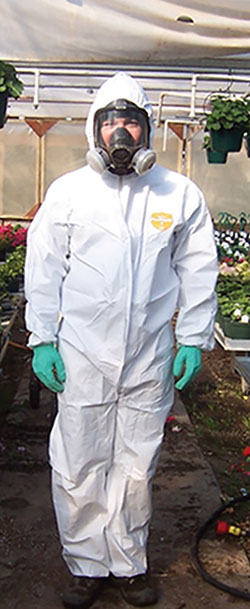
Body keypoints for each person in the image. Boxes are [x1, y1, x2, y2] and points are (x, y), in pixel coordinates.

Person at [24, 72, 218, 609]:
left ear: (147, 128)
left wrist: (194, 337)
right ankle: (86, 563)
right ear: (94, 128)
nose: (120, 130)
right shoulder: (68, 192)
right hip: (82, 349)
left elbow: (199, 267)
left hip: (149, 353)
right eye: (110, 120)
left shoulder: (177, 193)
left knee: (137, 460)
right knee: (79, 458)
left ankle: (128, 562)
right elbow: (43, 270)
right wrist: (42, 338)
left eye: (131, 119)